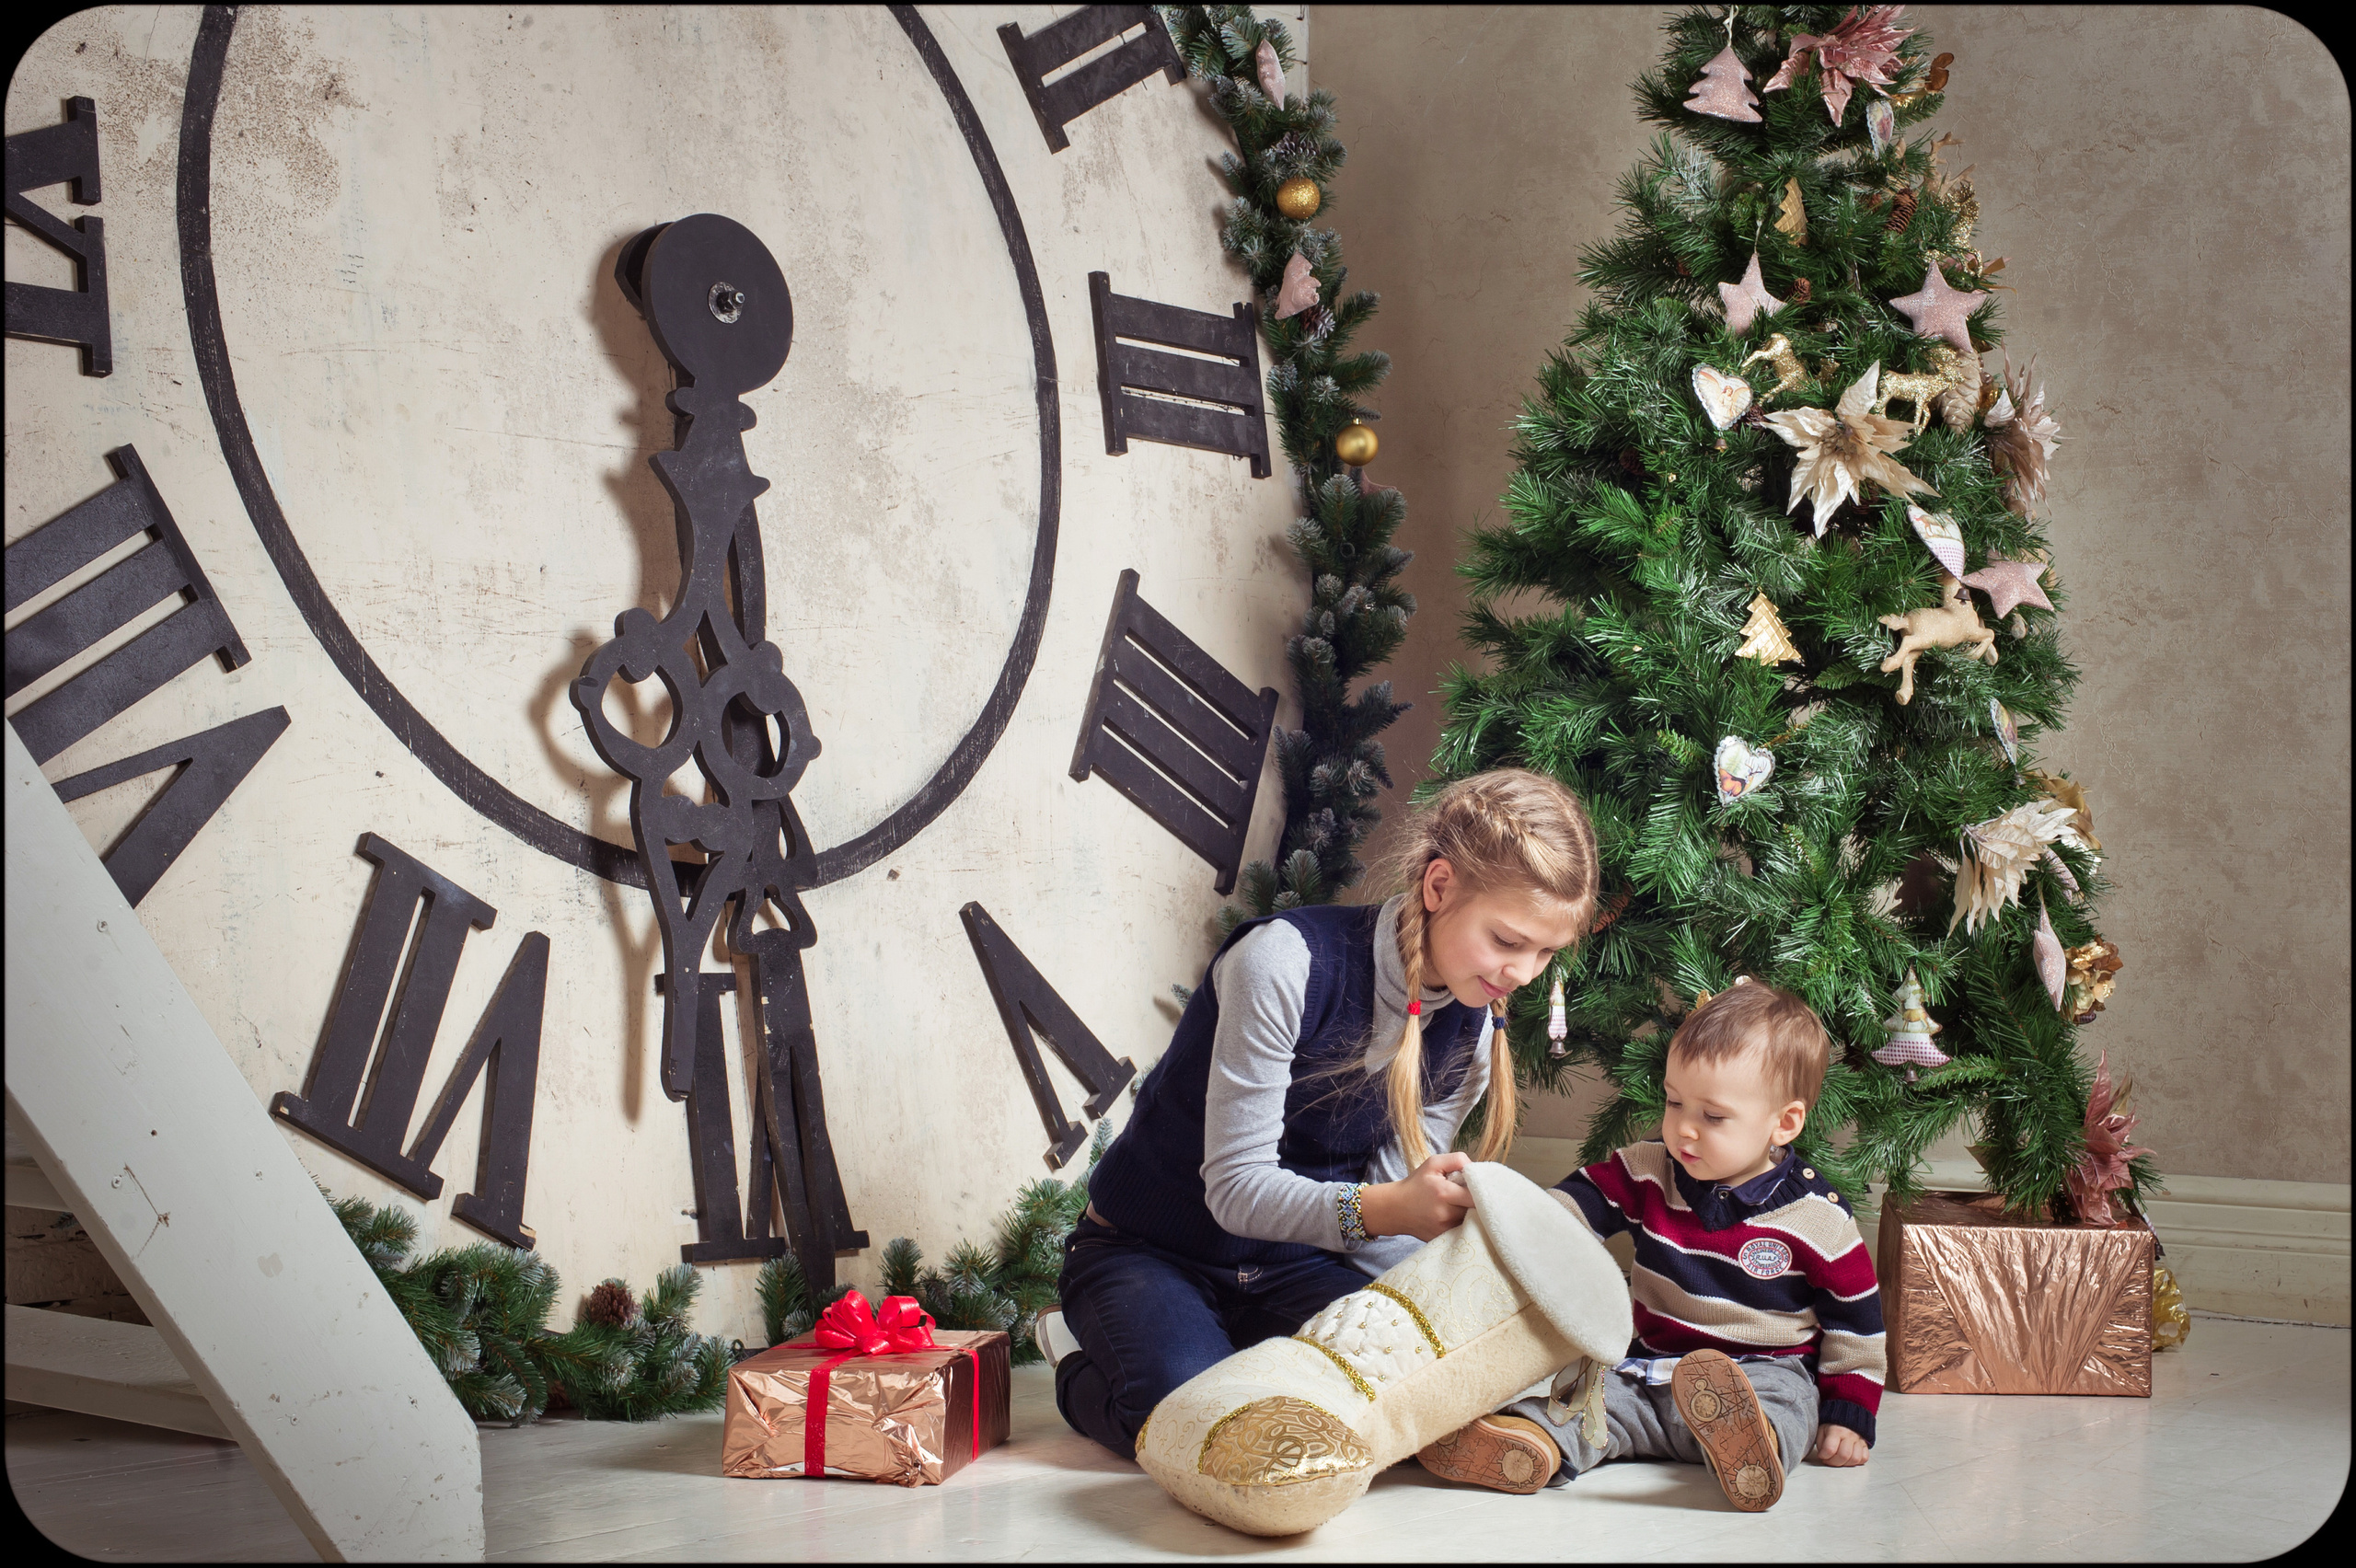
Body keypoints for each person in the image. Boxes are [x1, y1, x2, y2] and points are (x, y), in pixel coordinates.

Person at [1034, 769, 1599, 1459]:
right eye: (1508, 941)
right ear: (1440, 886)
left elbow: (1390, 1222)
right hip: (1152, 1249)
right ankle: (1075, 1353)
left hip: (1294, 1263)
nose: (1522, 974)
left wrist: (1435, 1315)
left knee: (1383, 1398)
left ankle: (1240, 1352)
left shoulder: (1473, 1034)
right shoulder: (1281, 963)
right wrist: (1394, 1209)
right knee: (1199, 1424)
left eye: (1545, 953)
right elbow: (1238, 1192)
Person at [1415, 978, 1885, 1511]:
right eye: (1674, 1102)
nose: (1683, 1130)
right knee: (1590, 1406)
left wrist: (1850, 1410)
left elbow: (1857, 1324)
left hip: (1762, 1370)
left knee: (1789, 1404)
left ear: (1784, 1123)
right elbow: (1563, 1218)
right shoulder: (1648, 1170)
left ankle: (1754, 1450)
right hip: (1647, 1370)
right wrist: (1499, 1207)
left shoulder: (1818, 1219)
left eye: (1712, 1117)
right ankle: (1530, 1447)